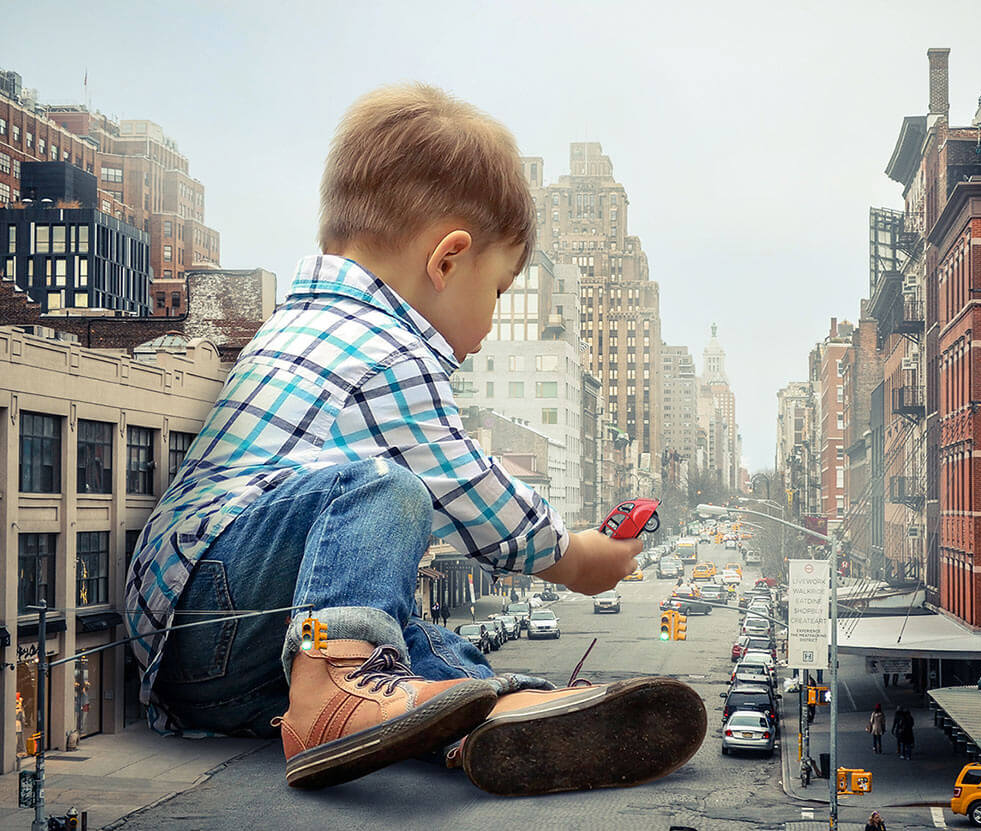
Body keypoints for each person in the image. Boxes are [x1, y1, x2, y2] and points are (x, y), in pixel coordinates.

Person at [123, 84, 707, 796]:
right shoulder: (389, 350)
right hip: (219, 609)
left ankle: (487, 712)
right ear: (447, 260)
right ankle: (338, 691)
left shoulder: (299, 323)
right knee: (385, 488)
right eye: (496, 290)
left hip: (225, 653)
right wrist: (578, 556)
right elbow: (467, 487)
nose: (491, 325)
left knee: (406, 639)